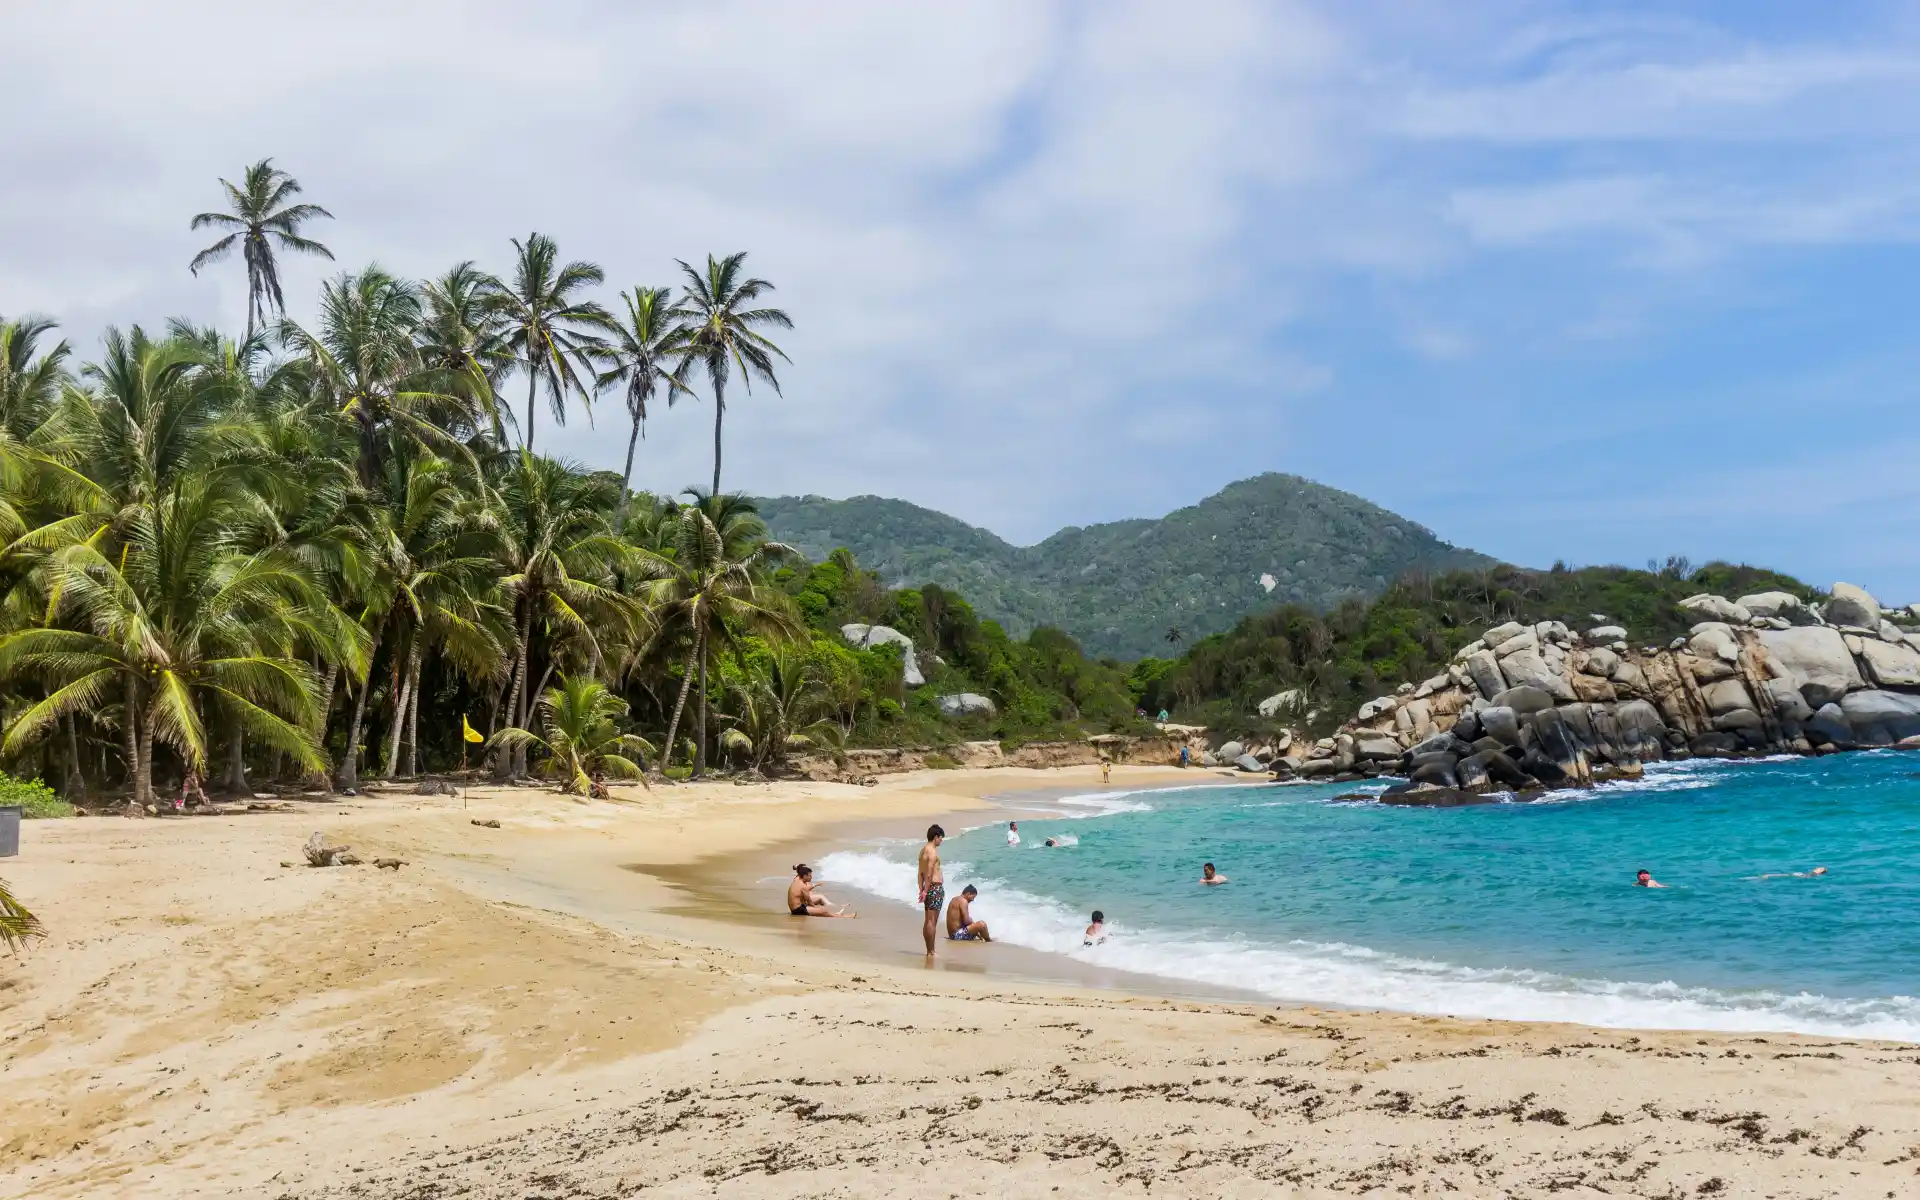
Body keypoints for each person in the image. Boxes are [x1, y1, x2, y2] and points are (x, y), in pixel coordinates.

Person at [917, 824, 946, 955]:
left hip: (927, 887)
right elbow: (928, 873)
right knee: (932, 921)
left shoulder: (922, 851)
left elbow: (920, 873)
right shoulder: (932, 852)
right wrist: (926, 890)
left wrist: (921, 889)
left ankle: (928, 950)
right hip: (934, 887)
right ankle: (932, 951)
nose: (941, 840)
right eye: (941, 838)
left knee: (928, 920)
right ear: (936, 837)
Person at [786, 865, 854, 918]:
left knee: (820, 905)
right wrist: (817, 909)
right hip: (798, 910)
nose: (811, 877)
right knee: (823, 911)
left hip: (798, 906)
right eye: (810, 876)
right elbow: (809, 902)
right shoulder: (803, 887)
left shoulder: (797, 878)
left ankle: (836, 911)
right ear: (804, 876)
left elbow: (799, 868)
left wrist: (796, 866)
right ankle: (843, 916)